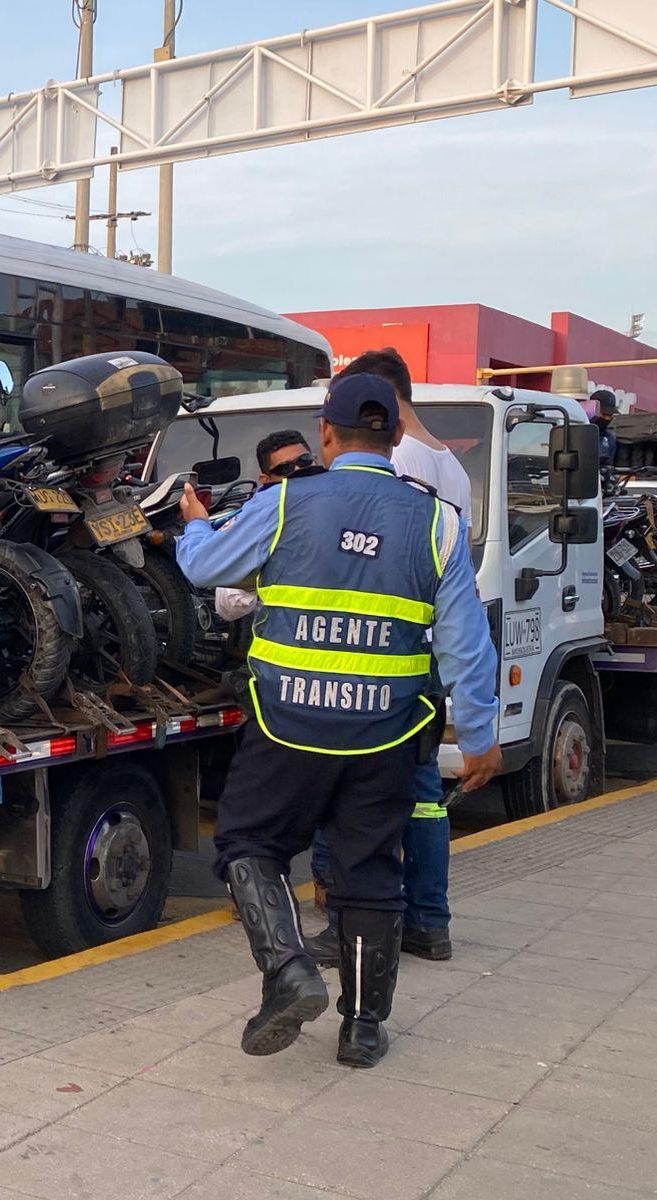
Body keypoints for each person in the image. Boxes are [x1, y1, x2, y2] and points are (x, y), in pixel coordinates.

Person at [175, 373, 500, 1068]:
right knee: (370, 872)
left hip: (287, 724)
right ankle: (362, 1029)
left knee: (249, 842)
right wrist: (479, 736)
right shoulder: (438, 522)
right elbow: (466, 644)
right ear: (395, 436)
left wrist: (195, 520)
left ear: (326, 433)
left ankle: (289, 969)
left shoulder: (285, 502)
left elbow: (204, 569)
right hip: (386, 733)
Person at [308, 348, 469, 965]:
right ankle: (429, 920)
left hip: (376, 648)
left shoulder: (396, 461)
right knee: (422, 791)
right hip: (424, 649)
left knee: (352, 788)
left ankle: (351, 923)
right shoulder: (449, 464)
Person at [213, 430, 315, 622]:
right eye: (285, 469)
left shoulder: (347, 499)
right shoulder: (261, 517)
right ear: (265, 480)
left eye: (304, 461)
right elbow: (228, 604)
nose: (298, 471)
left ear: (315, 460)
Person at [591, 389, 619, 465]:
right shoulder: (578, 434)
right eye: (604, 414)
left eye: (610, 415)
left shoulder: (610, 439)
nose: (608, 418)